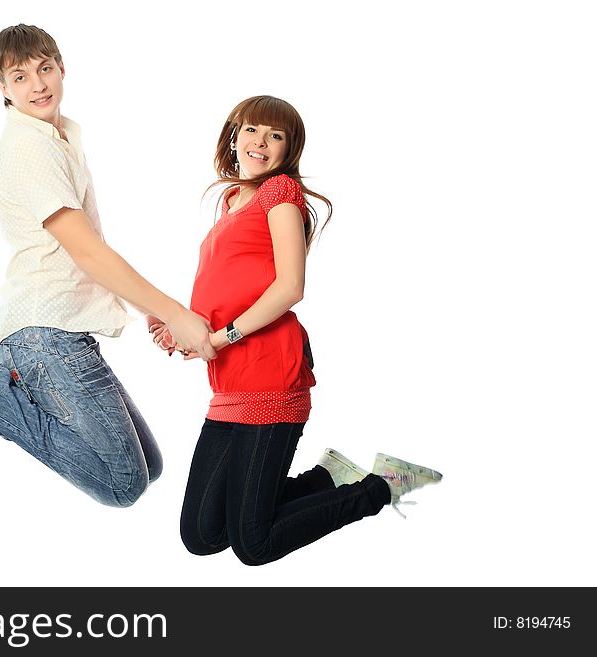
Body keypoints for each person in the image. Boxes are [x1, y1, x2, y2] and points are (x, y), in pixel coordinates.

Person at [0, 24, 215, 508]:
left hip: (65, 328)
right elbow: (86, 252)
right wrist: (174, 312)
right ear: (2, 89)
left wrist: (142, 306)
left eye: (45, 69)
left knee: (148, 468)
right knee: (121, 483)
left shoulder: (58, 137)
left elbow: (88, 250)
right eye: (19, 77)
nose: (38, 84)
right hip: (43, 333)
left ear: (62, 69)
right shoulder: (29, 147)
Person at [147, 96, 442, 565]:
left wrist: (222, 338)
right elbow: (231, 286)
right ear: (233, 134)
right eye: (252, 130)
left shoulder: (279, 193)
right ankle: (328, 479)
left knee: (253, 545)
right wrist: (178, 323)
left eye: (276, 135)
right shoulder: (232, 200)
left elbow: (289, 287)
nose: (260, 142)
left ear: (288, 149)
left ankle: (381, 487)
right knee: (202, 535)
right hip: (228, 383)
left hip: (268, 373)